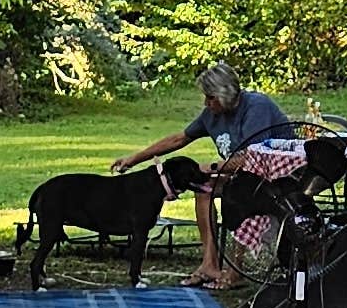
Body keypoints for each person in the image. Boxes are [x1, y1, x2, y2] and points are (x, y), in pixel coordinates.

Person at [110, 64, 292, 285]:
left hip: (278, 175)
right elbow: (179, 139)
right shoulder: (211, 114)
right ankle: (209, 265)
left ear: (226, 95)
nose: (206, 103)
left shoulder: (256, 107)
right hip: (242, 175)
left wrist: (213, 167)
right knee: (203, 190)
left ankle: (235, 273)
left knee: (237, 194)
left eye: (210, 98)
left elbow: (252, 159)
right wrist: (134, 159)